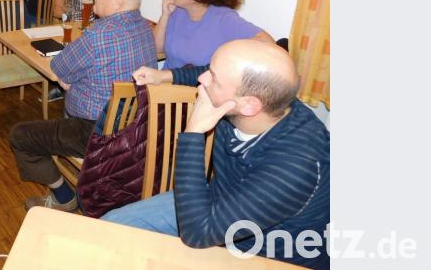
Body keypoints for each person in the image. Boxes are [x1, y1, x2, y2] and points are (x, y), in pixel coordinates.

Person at [103, 40, 330, 270]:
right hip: (216, 204)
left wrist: (193, 132)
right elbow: (210, 73)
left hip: (264, 254)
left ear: (249, 105)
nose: (203, 79)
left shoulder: (297, 167)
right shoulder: (262, 101)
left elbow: (198, 233)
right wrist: (164, 76)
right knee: (108, 229)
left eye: (213, 78)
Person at [9, 0, 157, 212]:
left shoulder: (98, 34)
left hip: (95, 131)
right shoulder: (145, 27)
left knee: (21, 136)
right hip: (136, 128)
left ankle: (64, 197)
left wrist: (71, 82)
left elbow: (59, 67)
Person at [154, 0, 272, 69]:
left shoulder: (224, 18)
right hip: (165, 82)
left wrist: (228, 54)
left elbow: (268, 42)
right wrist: (165, 15)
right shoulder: (177, 10)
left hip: (196, 85)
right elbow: (156, 49)